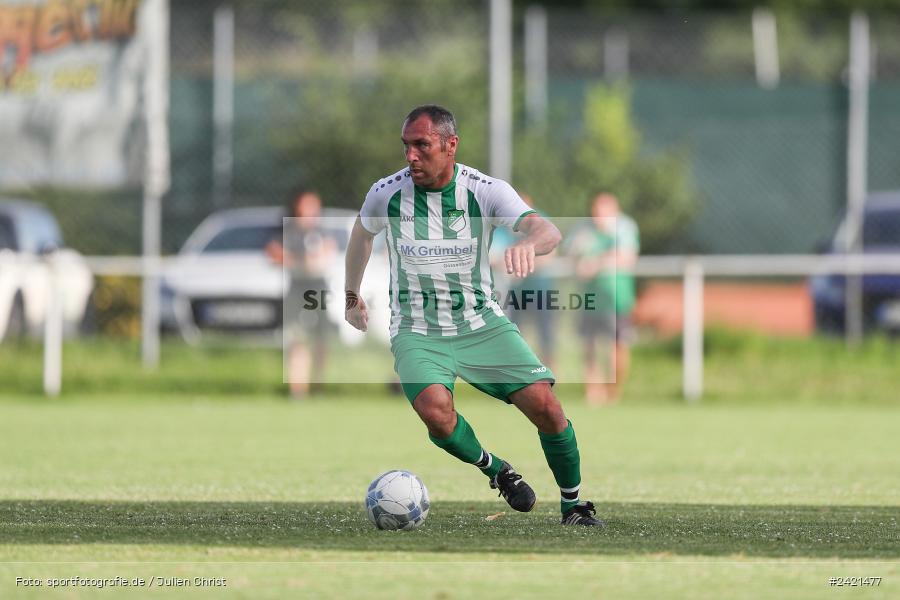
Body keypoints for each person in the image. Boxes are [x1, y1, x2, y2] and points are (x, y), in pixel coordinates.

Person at [344, 104, 603, 526]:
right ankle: (496, 470)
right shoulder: (385, 193)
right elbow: (361, 235)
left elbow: (548, 231)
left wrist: (528, 244)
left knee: (547, 407)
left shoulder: (484, 191)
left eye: (421, 145)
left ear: (451, 145)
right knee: (436, 412)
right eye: (406, 145)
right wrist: (351, 295)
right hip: (416, 329)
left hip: (481, 324)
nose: (411, 156)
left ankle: (573, 506)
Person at [571, 192, 640, 405]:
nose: (598, 215)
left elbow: (626, 256)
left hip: (617, 298)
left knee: (617, 345)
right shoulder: (584, 229)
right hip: (590, 297)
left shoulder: (625, 227)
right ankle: (593, 392)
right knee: (589, 344)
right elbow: (572, 252)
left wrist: (596, 263)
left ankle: (613, 393)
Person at [266, 189, 336, 398]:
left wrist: (310, 261)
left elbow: (327, 253)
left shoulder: (321, 232)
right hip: (297, 289)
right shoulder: (289, 231)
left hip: (318, 289)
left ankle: (319, 386)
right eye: (307, 205)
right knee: (297, 339)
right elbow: (275, 253)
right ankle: (298, 390)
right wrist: (299, 261)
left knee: (321, 339)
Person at [490, 194, 558, 373]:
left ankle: (550, 374)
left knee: (546, 337)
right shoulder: (504, 225)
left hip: (540, 290)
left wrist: (522, 266)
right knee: (515, 337)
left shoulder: (540, 221)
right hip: (515, 292)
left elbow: (551, 253)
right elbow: (494, 254)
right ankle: (521, 376)